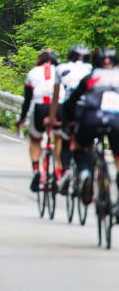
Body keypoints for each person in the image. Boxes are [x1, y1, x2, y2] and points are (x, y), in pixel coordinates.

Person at [62, 47, 119, 202]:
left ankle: (85, 173)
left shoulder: (91, 77)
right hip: (116, 120)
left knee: (80, 146)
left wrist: (71, 122)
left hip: (91, 118)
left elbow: (70, 102)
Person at [16, 48, 61, 193]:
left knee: (35, 139)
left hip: (40, 108)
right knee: (60, 137)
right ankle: (59, 172)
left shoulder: (32, 73)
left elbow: (27, 100)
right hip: (59, 106)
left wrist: (22, 119)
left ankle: (36, 169)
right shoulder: (61, 71)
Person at [55, 44, 93, 190]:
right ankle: (86, 173)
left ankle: (65, 171)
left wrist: (53, 118)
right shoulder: (92, 70)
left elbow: (56, 96)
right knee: (86, 142)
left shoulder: (61, 68)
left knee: (66, 140)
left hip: (69, 105)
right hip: (89, 107)